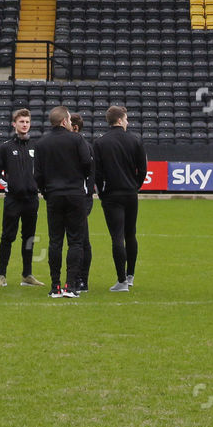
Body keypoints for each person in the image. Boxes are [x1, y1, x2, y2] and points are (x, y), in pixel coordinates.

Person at [34, 105, 91, 299]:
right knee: (75, 241)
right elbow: (87, 165)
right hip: (75, 195)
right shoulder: (77, 139)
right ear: (65, 121)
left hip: (54, 195)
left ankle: (55, 286)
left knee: (55, 241)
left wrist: (46, 191)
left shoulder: (42, 143)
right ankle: (71, 285)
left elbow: (38, 175)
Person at [92, 104, 147, 292]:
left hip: (111, 195)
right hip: (130, 193)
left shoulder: (99, 143)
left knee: (117, 236)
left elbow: (96, 173)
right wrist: (135, 185)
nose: (128, 121)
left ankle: (121, 280)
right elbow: (143, 169)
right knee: (130, 234)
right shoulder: (135, 140)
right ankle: (130, 276)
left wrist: (101, 190)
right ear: (120, 120)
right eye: (126, 118)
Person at [0, 107, 42, 287]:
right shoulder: (6, 147)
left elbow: (42, 171)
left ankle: (27, 274)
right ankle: (1, 275)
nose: (25, 125)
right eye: (21, 122)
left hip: (31, 200)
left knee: (29, 237)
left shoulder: (36, 146)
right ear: (14, 124)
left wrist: (38, 186)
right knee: (7, 236)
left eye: (27, 122)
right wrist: (9, 186)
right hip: (13, 200)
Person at [69, 114, 93, 293]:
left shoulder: (85, 146)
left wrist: (88, 195)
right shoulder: (68, 144)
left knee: (81, 240)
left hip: (81, 198)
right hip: (75, 196)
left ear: (75, 127)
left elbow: (91, 174)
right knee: (78, 239)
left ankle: (81, 278)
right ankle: (76, 277)